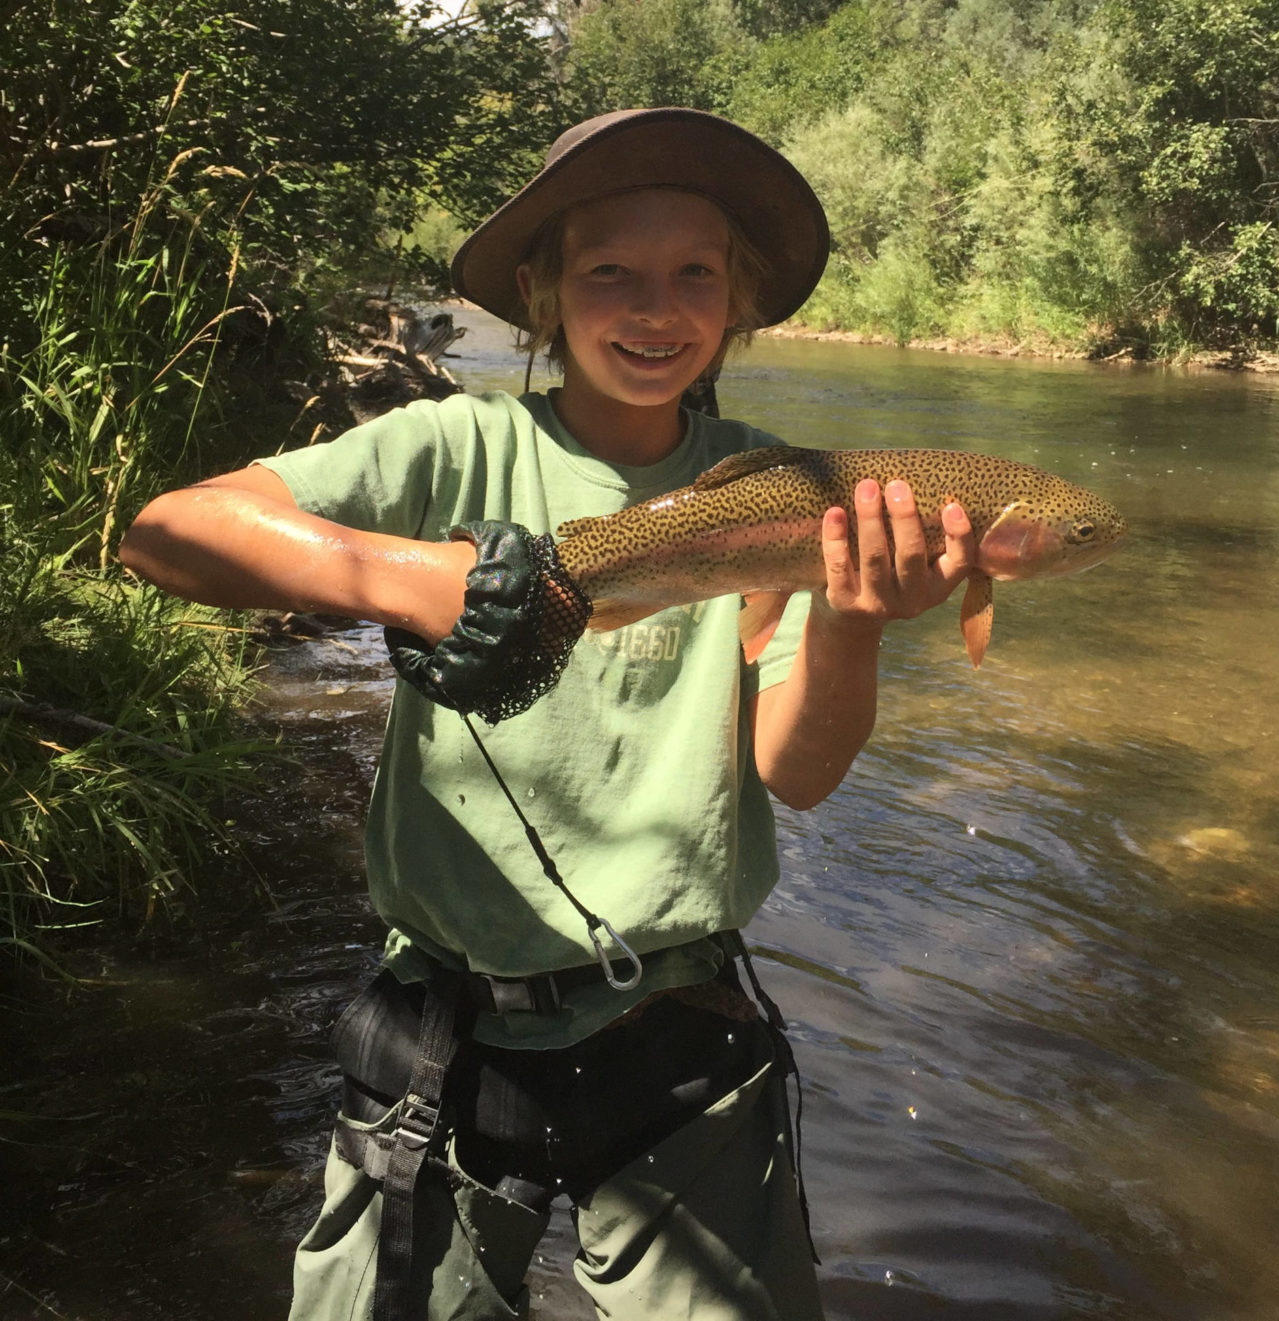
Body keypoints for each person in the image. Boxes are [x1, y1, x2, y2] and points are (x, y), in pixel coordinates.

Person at [120, 107, 975, 1321]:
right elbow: (166, 533)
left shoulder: (790, 489)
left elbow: (798, 771)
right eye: (610, 272)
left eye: (695, 275)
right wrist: (420, 579)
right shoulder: (451, 446)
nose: (655, 308)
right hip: (440, 1033)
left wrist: (850, 621)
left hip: (683, 1033)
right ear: (540, 295)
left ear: (737, 301)